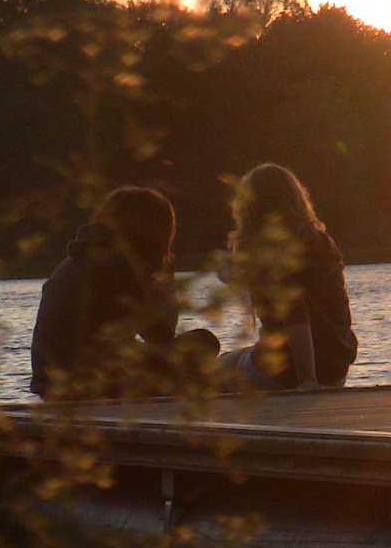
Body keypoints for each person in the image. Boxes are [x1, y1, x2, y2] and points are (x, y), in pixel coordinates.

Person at [30, 187, 217, 400]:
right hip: (92, 385)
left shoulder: (78, 258)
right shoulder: (126, 262)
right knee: (204, 342)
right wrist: (164, 278)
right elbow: (161, 333)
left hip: (49, 385)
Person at [222, 164, 356, 390]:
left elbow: (295, 310)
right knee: (235, 358)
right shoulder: (323, 241)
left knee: (220, 367)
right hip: (336, 370)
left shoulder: (262, 246)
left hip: (290, 373)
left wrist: (307, 380)